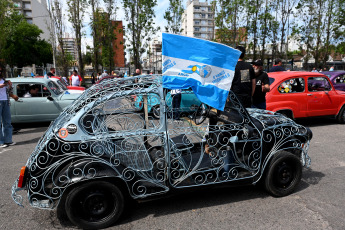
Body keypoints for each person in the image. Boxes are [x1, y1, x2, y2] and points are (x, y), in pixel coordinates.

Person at [0, 66, 19, 148]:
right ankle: (1, 142)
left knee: (7, 122)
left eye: (1, 70)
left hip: (5, 101)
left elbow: (9, 92)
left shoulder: (4, 80)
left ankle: (8, 140)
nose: (0, 72)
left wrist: (10, 86)